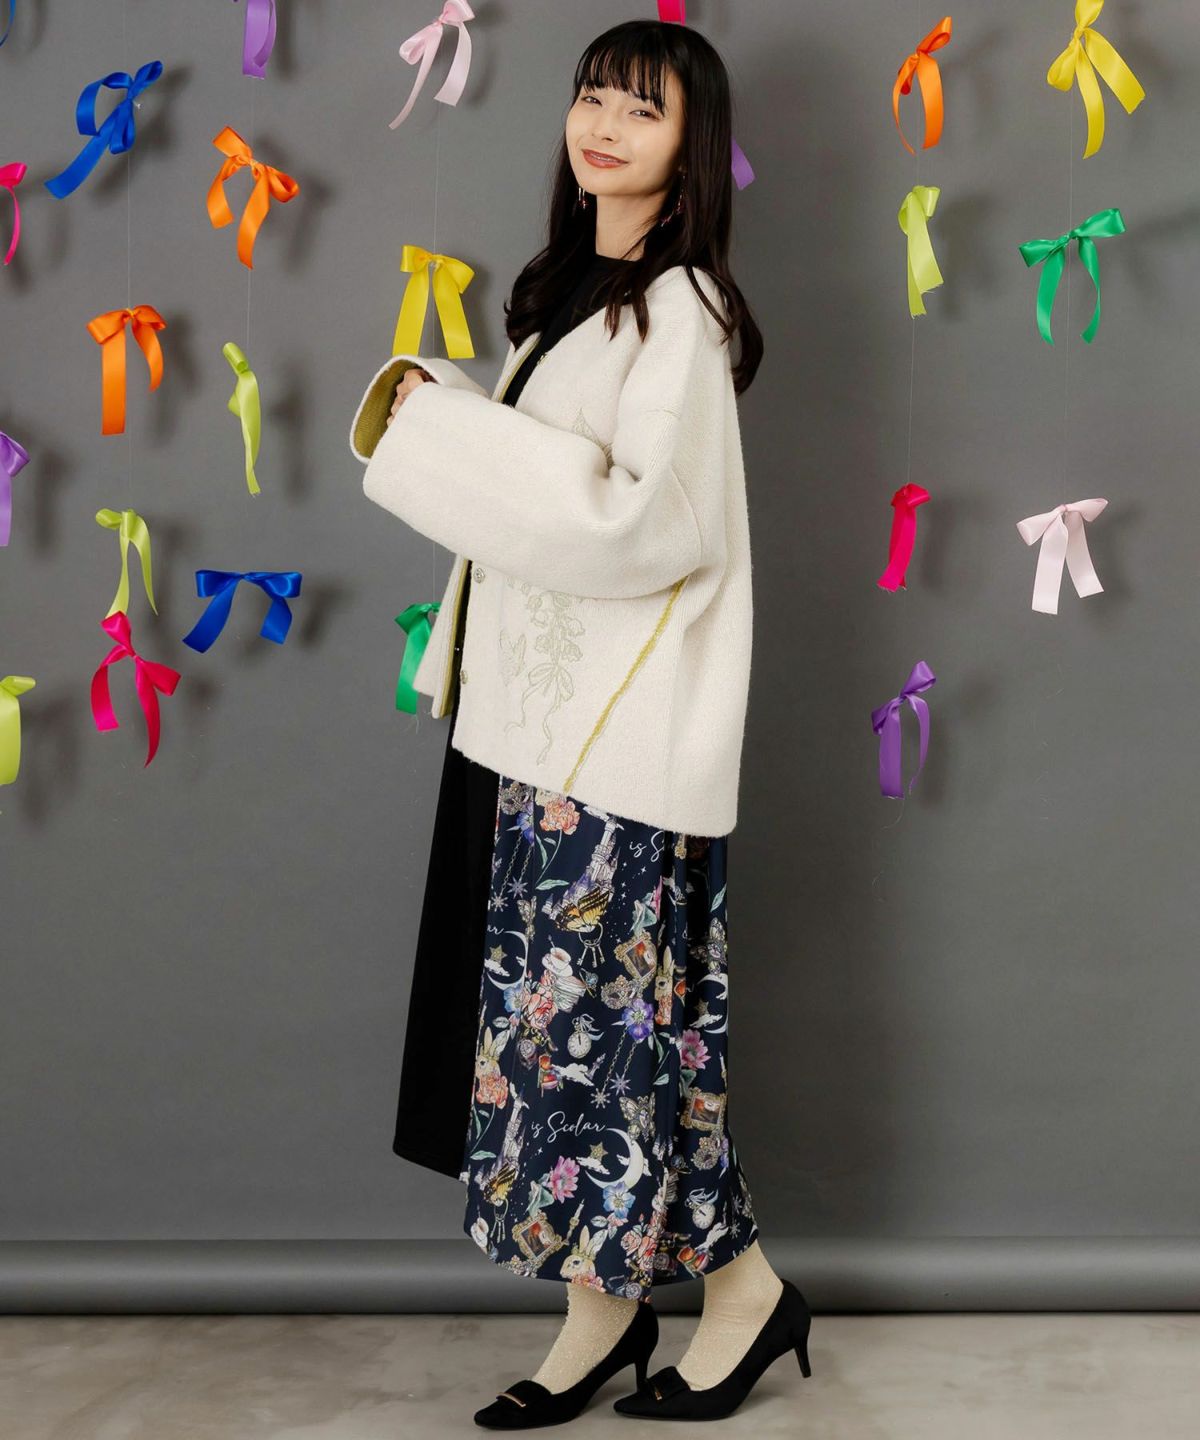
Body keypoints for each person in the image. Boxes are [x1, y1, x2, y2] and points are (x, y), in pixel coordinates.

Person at [348, 18, 813, 1427]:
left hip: (612, 738)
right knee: (571, 1039)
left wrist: (440, 425)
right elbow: (545, 490)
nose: (604, 124)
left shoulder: (680, 309)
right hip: (535, 723)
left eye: (642, 108)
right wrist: (456, 407)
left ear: (691, 143)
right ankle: (628, 1312)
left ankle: (716, 1298)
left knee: (607, 1038)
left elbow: (641, 525)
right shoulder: (569, 289)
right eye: (592, 95)